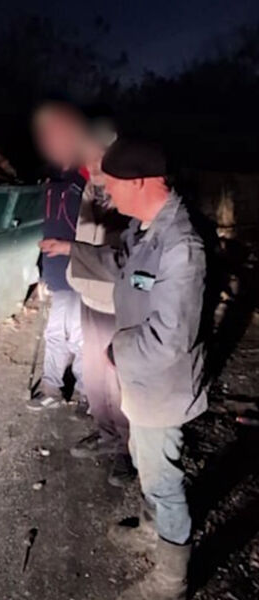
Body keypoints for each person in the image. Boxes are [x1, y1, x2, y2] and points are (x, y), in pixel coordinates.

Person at [44, 138, 207, 600]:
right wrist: (71, 248)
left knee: (163, 479)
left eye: (113, 185)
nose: (109, 196)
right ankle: (152, 530)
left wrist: (117, 349)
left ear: (140, 182)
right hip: (140, 374)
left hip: (162, 383)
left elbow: (171, 338)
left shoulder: (181, 248)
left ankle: (170, 581)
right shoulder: (146, 229)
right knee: (144, 459)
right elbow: (120, 264)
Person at [65, 126, 135, 487]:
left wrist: (71, 254)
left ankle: (126, 448)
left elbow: (123, 255)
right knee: (94, 376)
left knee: (118, 378)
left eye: (97, 155)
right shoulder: (90, 190)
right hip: (90, 295)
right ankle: (106, 434)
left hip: (114, 299)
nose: (90, 162)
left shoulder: (125, 195)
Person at [27, 102, 86, 410]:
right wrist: (39, 269)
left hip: (81, 269)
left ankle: (89, 391)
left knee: (79, 334)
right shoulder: (49, 181)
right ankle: (52, 387)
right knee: (54, 331)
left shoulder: (86, 178)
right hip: (55, 269)